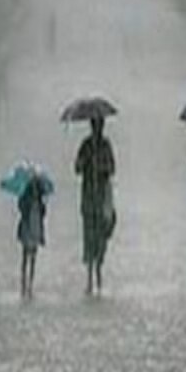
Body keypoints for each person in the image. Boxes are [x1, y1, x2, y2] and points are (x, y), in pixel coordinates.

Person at [74, 116, 116, 295]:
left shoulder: (106, 145)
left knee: (101, 237)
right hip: (88, 199)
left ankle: (98, 271)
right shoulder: (85, 145)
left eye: (100, 124)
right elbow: (76, 168)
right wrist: (84, 163)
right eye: (95, 125)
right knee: (89, 237)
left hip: (100, 198)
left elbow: (113, 168)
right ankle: (90, 277)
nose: (97, 128)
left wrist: (102, 167)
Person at [17, 176, 48, 299]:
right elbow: (21, 208)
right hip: (27, 227)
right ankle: (24, 285)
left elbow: (44, 214)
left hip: (35, 228)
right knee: (25, 257)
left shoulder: (40, 202)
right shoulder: (26, 199)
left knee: (33, 258)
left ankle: (30, 285)